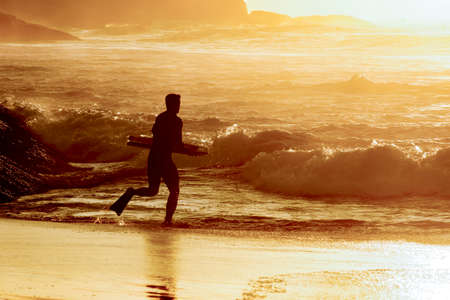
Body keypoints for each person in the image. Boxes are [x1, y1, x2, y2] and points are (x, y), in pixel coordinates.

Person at [110, 93, 186, 225]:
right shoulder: (177, 121)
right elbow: (178, 143)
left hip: (153, 158)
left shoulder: (160, 118)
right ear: (171, 105)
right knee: (174, 190)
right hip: (164, 160)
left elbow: (156, 134)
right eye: (177, 104)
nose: (179, 106)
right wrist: (190, 152)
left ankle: (131, 193)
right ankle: (168, 220)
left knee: (152, 190)